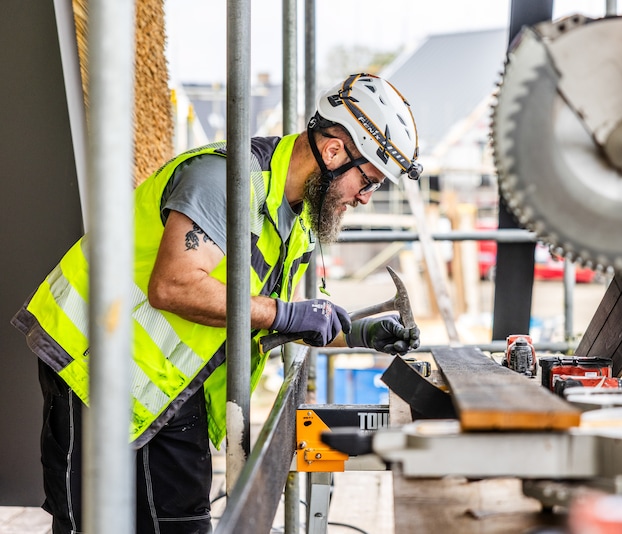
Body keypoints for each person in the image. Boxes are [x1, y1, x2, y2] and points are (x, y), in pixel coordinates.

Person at [11, 72, 422, 534]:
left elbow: (256, 314)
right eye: (368, 181)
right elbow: (173, 286)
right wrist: (289, 313)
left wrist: (357, 333)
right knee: (94, 525)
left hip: (171, 389)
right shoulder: (225, 181)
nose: (365, 198)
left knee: (183, 525)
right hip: (94, 368)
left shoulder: (298, 220)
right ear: (333, 152)